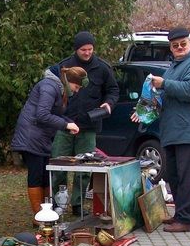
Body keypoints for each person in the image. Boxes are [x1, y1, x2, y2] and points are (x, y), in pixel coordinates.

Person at [132, 26, 190, 233]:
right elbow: (163, 97)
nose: (179, 47)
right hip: (173, 132)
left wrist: (165, 83)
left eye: (183, 44)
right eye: (175, 45)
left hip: (189, 132)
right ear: (171, 47)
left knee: (186, 177)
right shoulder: (174, 66)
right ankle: (180, 214)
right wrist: (143, 110)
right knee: (173, 176)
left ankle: (187, 219)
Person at [49, 31, 120, 216]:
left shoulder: (103, 68)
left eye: (90, 49)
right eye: (83, 49)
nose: (87, 53)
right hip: (65, 124)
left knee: (85, 168)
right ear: (76, 49)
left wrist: (109, 103)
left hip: (89, 127)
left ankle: (78, 205)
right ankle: (58, 203)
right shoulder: (64, 66)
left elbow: (113, 90)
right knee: (59, 165)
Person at [11, 67, 83, 222]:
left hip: (41, 138)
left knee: (45, 176)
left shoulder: (57, 88)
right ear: (69, 81)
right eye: (76, 87)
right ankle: (38, 217)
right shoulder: (48, 86)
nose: (76, 91)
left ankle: (46, 213)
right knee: (36, 175)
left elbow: (56, 113)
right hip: (31, 137)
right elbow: (42, 115)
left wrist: (69, 122)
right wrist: (65, 126)